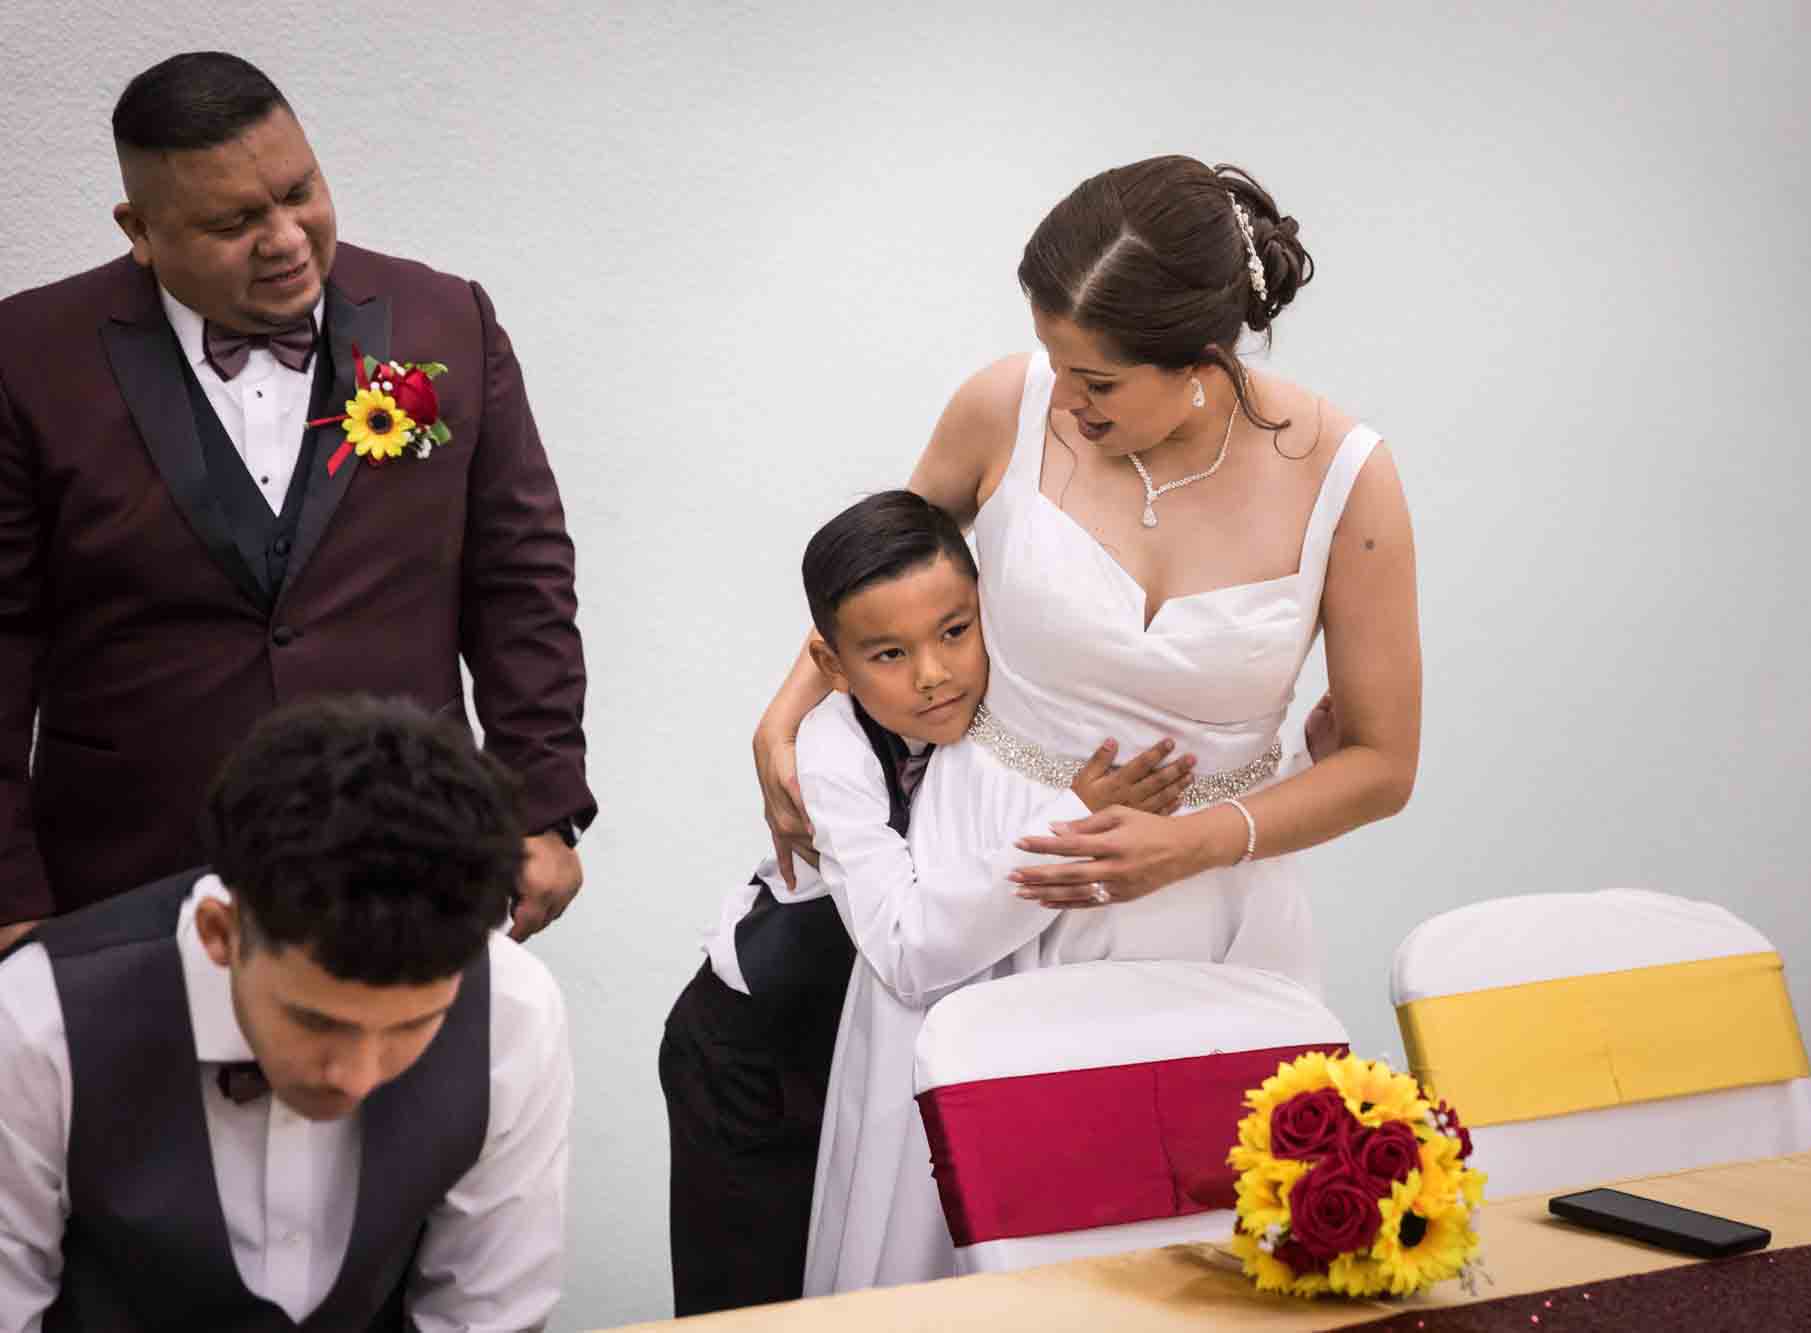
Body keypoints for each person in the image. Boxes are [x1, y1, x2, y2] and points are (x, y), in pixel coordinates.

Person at [750, 158, 1422, 1292]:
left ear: (1202, 361)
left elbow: (1381, 763)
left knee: (1185, 1258)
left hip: (1213, 909)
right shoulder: (999, 407)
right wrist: (785, 710)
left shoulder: (1347, 482)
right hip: (991, 868)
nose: (1063, 400)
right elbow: (883, 590)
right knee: (951, 1241)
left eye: (1096, 379)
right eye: (1056, 362)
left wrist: (1197, 840)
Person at [0, 51, 593, 952]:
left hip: (411, 854)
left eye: (298, 191)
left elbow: (521, 578)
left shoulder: (448, 319)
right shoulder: (28, 358)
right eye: (234, 220)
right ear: (141, 229)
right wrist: (10, 894)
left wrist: (545, 809)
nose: (283, 237)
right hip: (131, 881)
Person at [662, 490, 1189, 1315]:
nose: (934, 674)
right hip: (756, 1054)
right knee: (754, 1303)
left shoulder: (1021, 710)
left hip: (873, 1048)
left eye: (954, 631)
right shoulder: (830, 749)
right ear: (831, 666)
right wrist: (1073, 819)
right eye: (889, 655)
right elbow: (906, 948)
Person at [0, 694, 572, 1330]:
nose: (355, 1076)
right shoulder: (35, 1018)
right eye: (317, 1020)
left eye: (411, 1027)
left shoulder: (513, 1011)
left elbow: (485, 1317)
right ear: (222, 932)